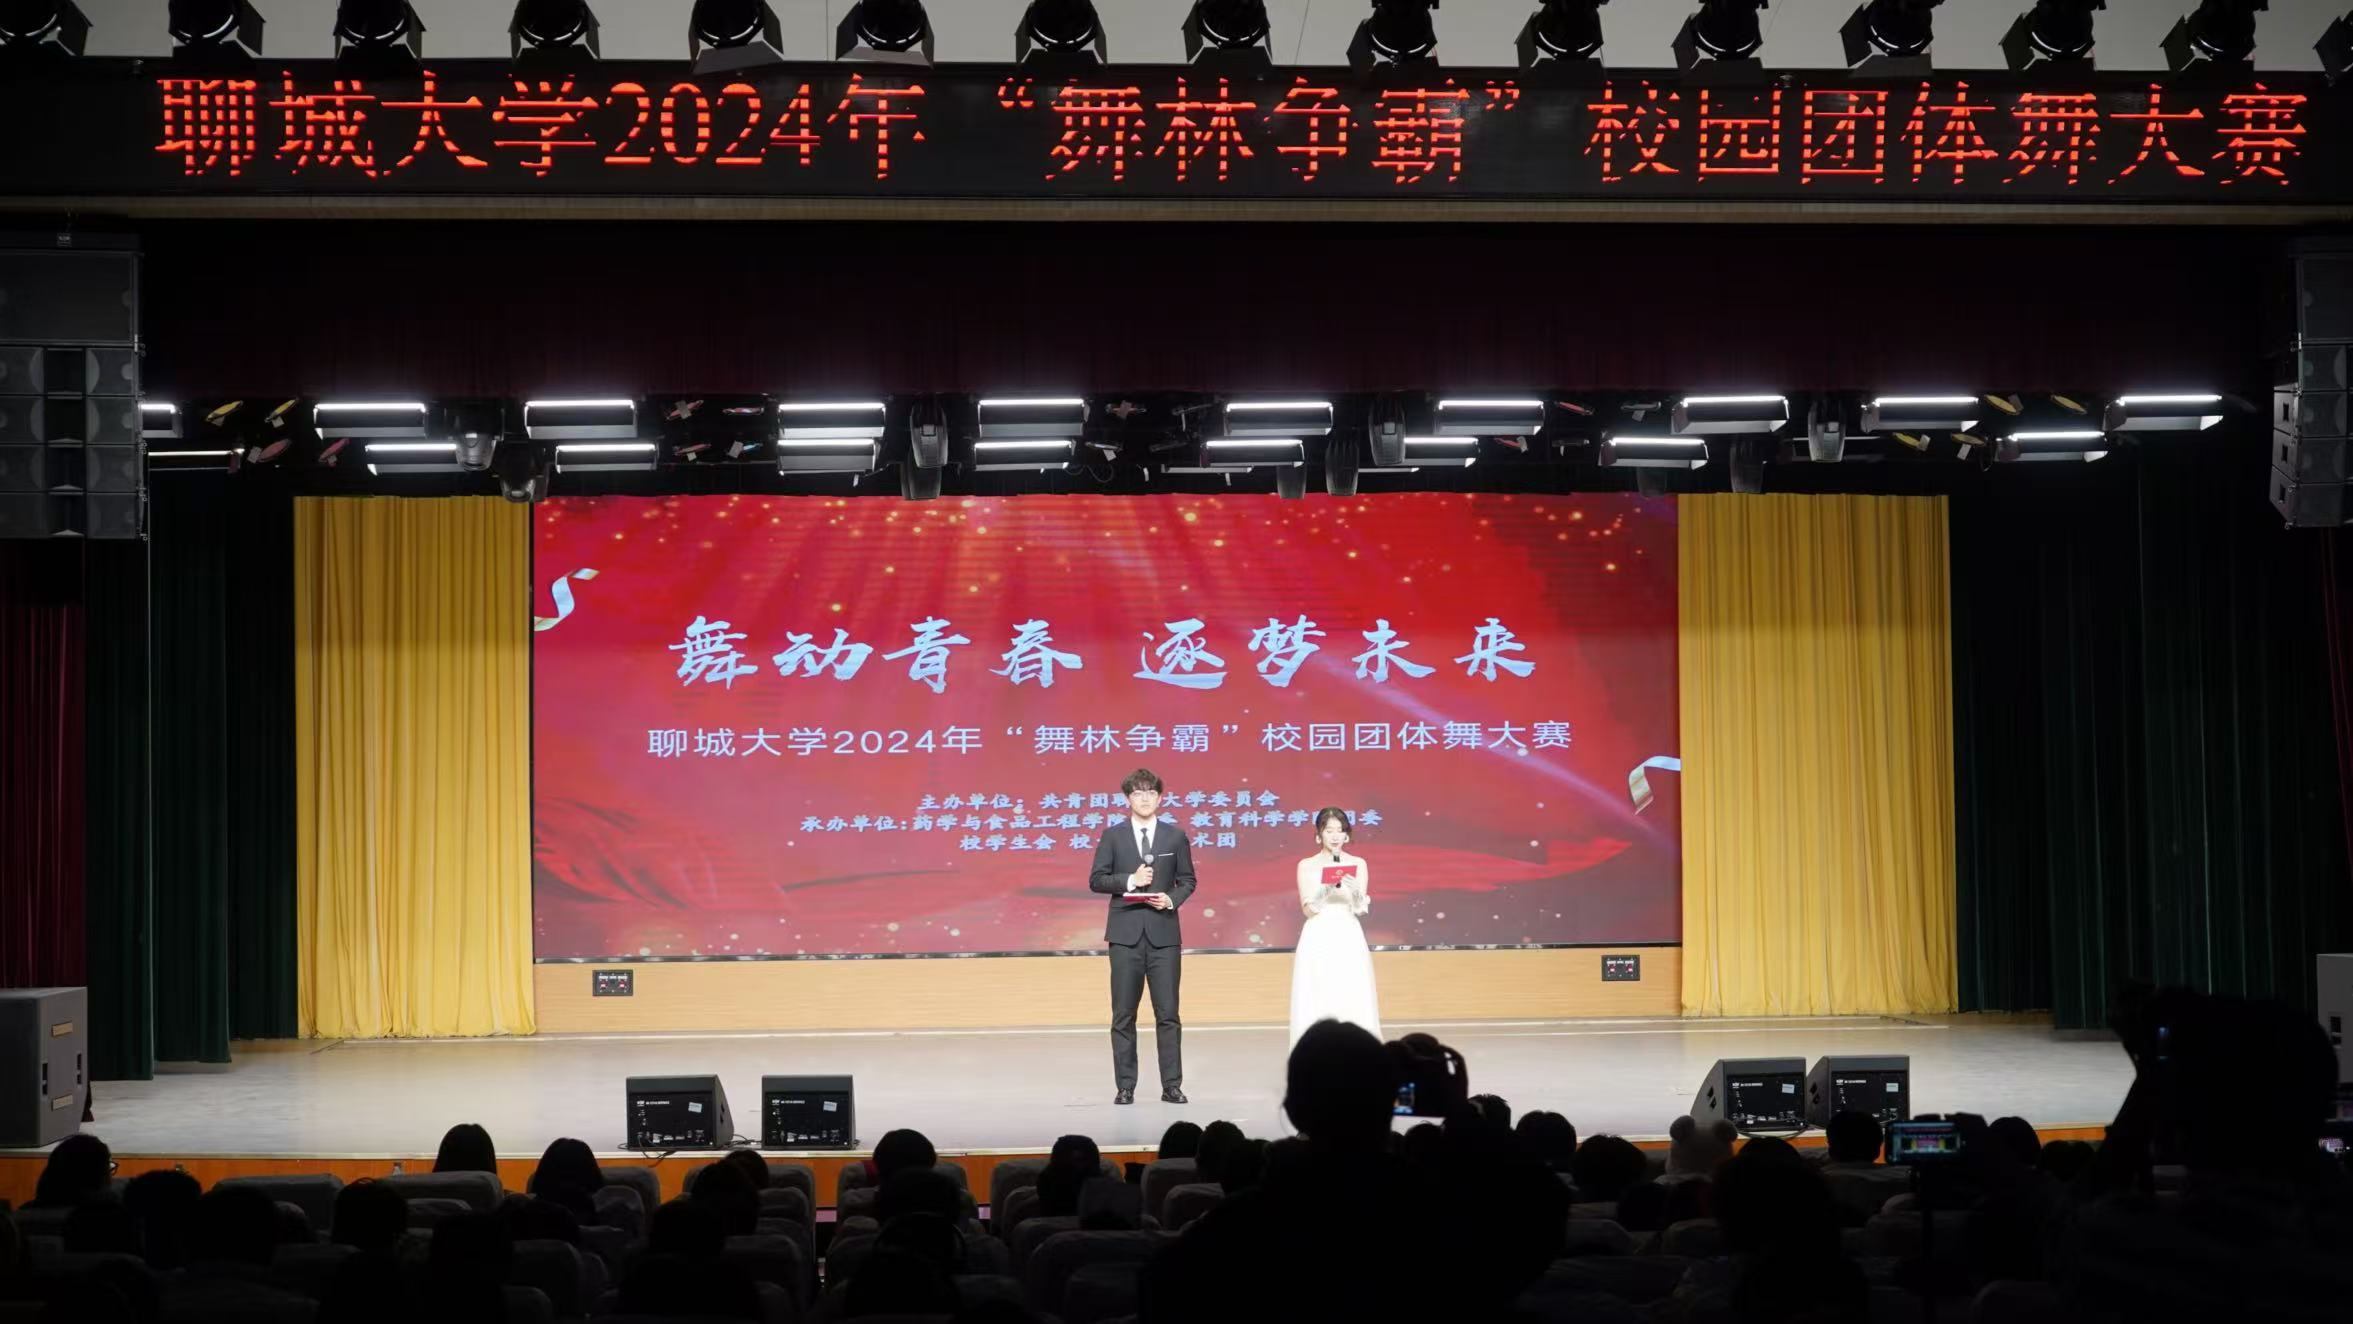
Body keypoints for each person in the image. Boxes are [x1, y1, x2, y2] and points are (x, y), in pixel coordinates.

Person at [1087, 767, 1197, 1105]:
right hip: (1125, 936)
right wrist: (1131, 881)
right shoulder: (1113, 836)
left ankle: (1171, 1086)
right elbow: (1097, 880)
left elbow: (1188, 880)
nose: (1145, 798)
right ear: (1128, 799)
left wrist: (1171, 899)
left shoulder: (1175, 836)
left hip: (1164, 935)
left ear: (1160, 798)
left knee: (1168, 1014)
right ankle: (1125, 1086)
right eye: (1138, 793)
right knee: (1123, 1015)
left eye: (1151, 792)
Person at [1288, 808, 1381, 1046]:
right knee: (1317, 990)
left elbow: (1360, 909)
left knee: (1351, 988)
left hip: (1347, 930)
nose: (1335, 836)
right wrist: (1324, 891)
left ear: (1347, 834)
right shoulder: (1306, 865)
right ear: (1319, 834)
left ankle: (1358, 1052)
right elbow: (1308, 910)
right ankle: (1314, 1053)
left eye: (1340, 830)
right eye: (1329, 830)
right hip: (1318, 931)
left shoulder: (1358, 863)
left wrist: (1356, 892)